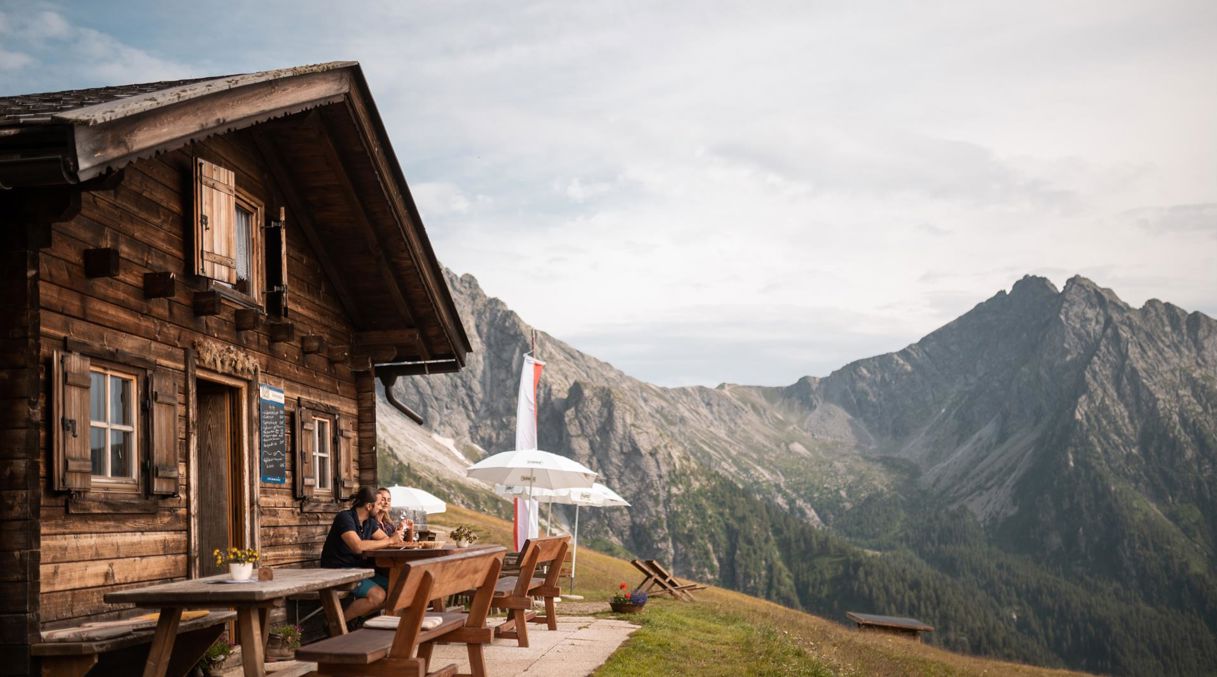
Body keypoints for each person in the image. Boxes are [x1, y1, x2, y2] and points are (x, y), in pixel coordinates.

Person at [320, 486, 404, 621]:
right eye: (379, 503)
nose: (381, 506)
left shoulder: (369, 522)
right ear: (369, 506)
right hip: (337, 570)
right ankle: (336, 625)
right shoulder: (345, 518)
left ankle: (356, 619)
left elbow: (387, 540)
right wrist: (389, 540)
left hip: (356, 570)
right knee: (378, 595)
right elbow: (358, 546)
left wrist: (394, 537)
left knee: (396, 589)